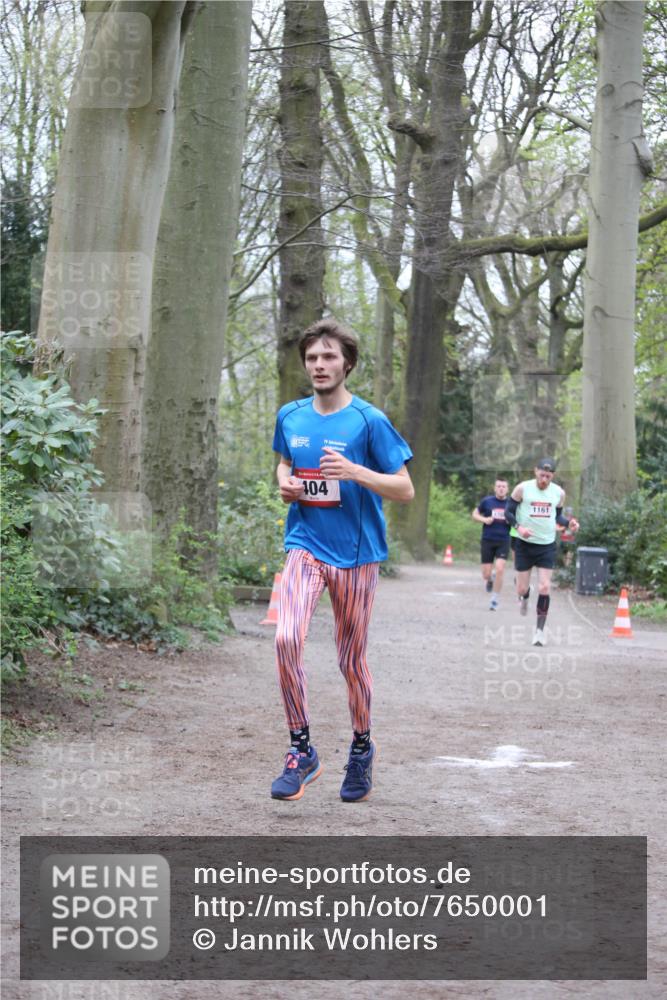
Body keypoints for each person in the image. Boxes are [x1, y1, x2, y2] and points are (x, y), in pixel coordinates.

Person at [270, 318, 414, 803]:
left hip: (356, 557)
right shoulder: (290, 415)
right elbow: (285, 461)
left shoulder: (369, 421)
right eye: (312, 358)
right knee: (287, 635)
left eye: (329, 356)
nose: (319, 365)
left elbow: (405, 488)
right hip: (305, 545)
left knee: (350, 661)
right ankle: (301, 748)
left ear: (347, 363)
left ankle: (361, 746)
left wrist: (356, 471)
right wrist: (284, 482)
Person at [504, 458, 579, 646]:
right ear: (535, 471)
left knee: (545, 587)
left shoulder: (558, 493)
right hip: (524, 543)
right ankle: (525, 594)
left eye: (548, 476)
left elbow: (558, 516)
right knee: (521, 588)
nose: (544, 479)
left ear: (552, 476)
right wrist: (519, 528)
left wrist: (569, 523)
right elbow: (508, 513)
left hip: (546, 545)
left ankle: (539, 631)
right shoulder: (522, 489)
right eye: (541, 475)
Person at [471, 478, 511, 610]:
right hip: (488, 539)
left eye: (503, 486)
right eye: (499, 486)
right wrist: (484, 519)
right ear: (495, 488)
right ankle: (490, 579)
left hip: (504, 540)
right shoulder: (487, 501)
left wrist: (511, 520)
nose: (501, 489)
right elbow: (474, 514)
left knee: (500, 568)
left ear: (507, 489)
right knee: (486, 574)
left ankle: (495, 599)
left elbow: (520, 519)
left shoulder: (511, 504)